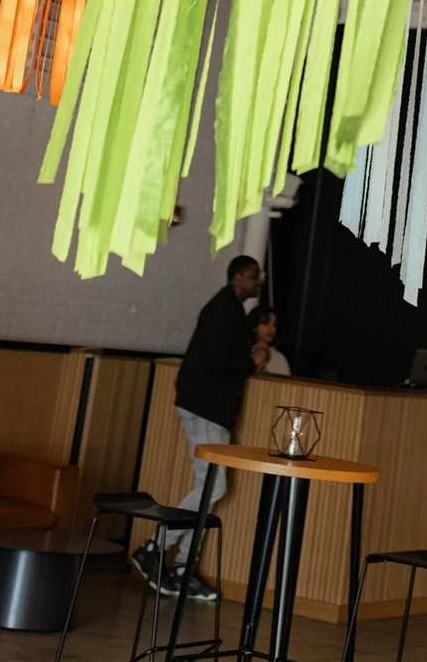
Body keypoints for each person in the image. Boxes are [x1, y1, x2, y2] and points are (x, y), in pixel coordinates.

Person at [133, 255, 264, 601]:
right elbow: (216, 361)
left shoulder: (224, 309)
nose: (258, 283)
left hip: (203, 405)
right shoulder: (224, 311)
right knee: (213, 486)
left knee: (209, 488)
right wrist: (250, 362)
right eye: (253, 277)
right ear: (238, 277)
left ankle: (180, 568)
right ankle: (156, 549)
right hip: (206, 407)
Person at [253, 306, 291, 377]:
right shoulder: (242, 352)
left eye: (274, 325)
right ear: (254, 326)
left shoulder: (279, 358)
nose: (271, 329)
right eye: (266, 324)